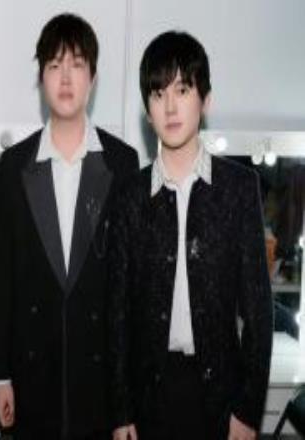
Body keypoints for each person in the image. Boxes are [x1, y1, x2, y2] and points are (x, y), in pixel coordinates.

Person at [108, 31, 273, 440]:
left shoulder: (238, 189)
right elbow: (117, 314)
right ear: (147, 110)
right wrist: (121, 410)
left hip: (220, 400)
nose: (170, 106)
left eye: (182, 90)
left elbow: (258, 311)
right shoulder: (129, 196)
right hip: (149, 401)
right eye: (158, 93)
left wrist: (248, 411)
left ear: (205, 99)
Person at [0, 12, 138, 440]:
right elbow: (1, 277)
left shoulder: (122, 163)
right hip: (32, 373)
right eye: (54, 65)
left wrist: (127, 397)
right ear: (41, 79)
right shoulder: (14, 165)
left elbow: (130, 288)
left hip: (100, 380)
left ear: (93, 77)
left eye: (77, 64)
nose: (66, 78)